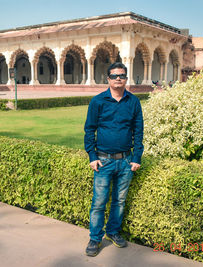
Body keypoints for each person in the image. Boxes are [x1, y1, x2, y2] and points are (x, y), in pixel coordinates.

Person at [84, 62, 144, 256]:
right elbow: (89, 130)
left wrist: (136, 157)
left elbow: (138, 131)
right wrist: (92, 156)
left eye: (122, 75)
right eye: (115, 75)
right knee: (99, 202)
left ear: (126, 78)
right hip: (103, 160)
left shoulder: (133, 102)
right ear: (108, 79)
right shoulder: (98, 101)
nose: (119, 78)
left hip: (126, 161)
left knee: (119, 201)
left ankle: (112, 232)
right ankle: (95, 238)